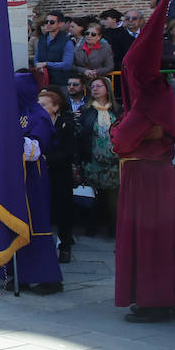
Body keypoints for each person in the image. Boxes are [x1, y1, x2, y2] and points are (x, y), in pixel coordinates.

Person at [111, 0, 175, 321]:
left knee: (148, 239)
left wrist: (118, 129)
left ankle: (153, 301)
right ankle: (156, 296)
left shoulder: (148, 98)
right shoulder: (161, 91)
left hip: (145, 177)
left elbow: (121, 140)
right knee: (154, 239)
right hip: (153, 174)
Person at [10, 73, 64, 294]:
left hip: (33, 175)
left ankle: (48, 278)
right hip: (14, 174)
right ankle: (18, 276)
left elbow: (34, 150)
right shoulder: (15, 113)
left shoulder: (39, 116)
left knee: (36, 224)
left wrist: (8, 137)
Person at [37, 86, 79, 263]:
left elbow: (69, 152)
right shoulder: (37, 124)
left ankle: (65, 246)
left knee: (63, 212)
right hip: (41, 176)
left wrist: (47, 159)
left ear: (55, 107)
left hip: (60, 175)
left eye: (44, 104)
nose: (40, 108)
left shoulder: (66, 125)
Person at [77, 76, 122, 238]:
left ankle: (113, 229)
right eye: (92, 86)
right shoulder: (86, 111)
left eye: (99, 86)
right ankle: (92, 226)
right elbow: (82, 135)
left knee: (113, 196)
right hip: (93, 159)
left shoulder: (117, 111)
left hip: (113, 161)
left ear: (107, 89)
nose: (94, 89)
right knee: (96, 195)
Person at [32, 11, 75, 83]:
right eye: (46, 22)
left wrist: (46, 64)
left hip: (60, 81)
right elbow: (37, 58)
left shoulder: (67, 42)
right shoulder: (41, 39)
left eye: (52, 22)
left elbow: (67, 64)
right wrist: (38, 66)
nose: (48, 24)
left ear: (60, 24)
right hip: (43, 80)